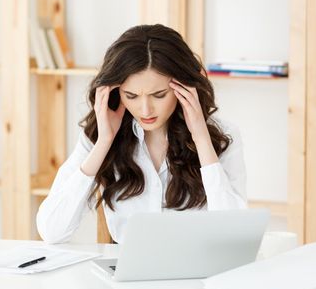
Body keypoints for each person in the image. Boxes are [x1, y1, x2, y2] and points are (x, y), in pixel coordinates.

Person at [36, 24, 247, 244]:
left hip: (199, 275)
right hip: (127, 275)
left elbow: (235, 236)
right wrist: (103, 143)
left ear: (184, 88)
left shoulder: (221, 136)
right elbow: (52, 231)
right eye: (132, 96)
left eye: (158, 95)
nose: (145, 110)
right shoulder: (100, 137)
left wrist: (201, 139)